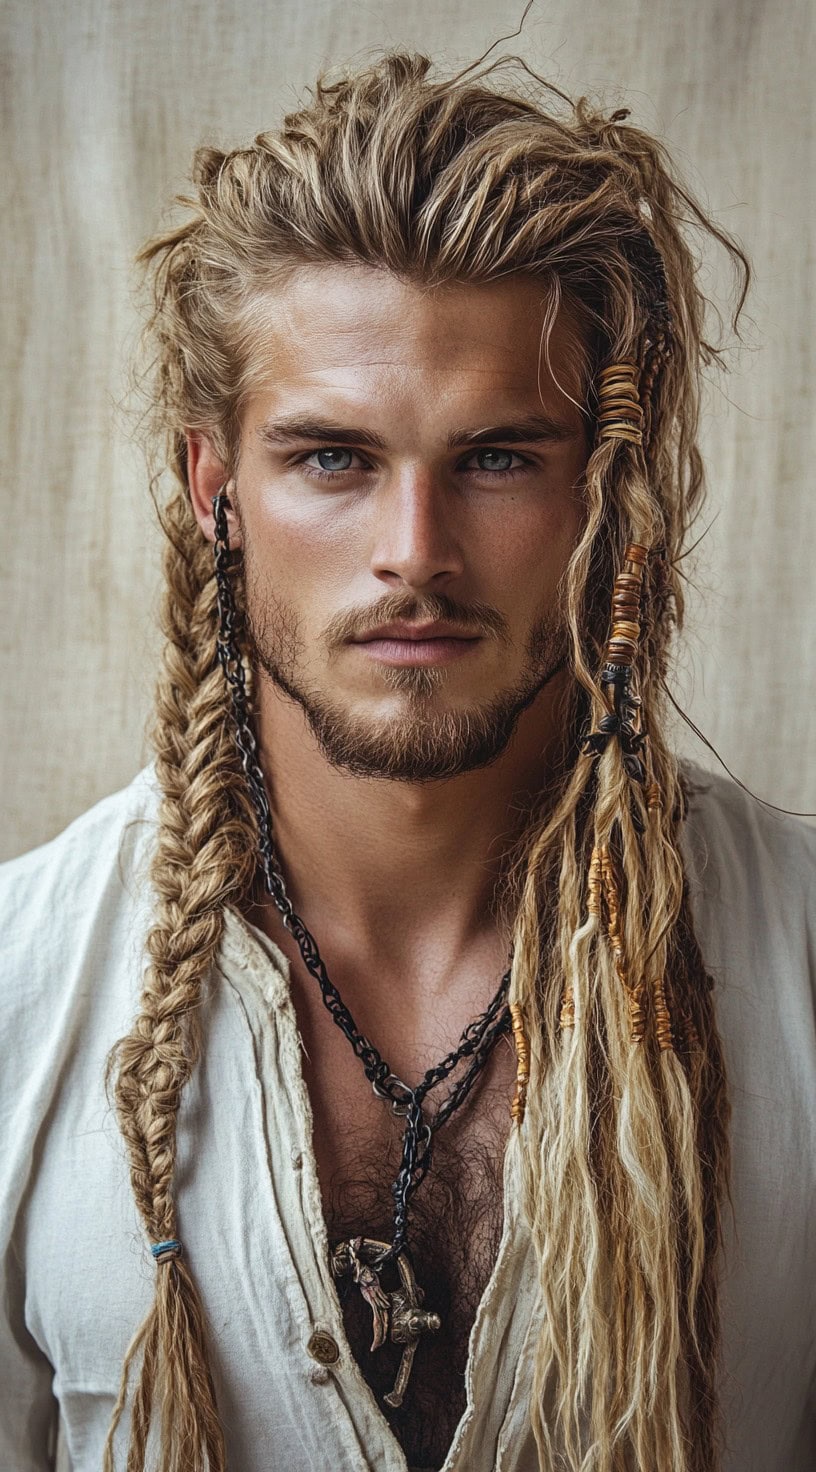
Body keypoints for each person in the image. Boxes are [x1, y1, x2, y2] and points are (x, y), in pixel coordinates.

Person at [1, 49, 814, 1472]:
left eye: (497, 458)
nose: (416, 552)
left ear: (602, 496)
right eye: (332, 459)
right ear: (216, 490)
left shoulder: (798, 952)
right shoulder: (24, 987)